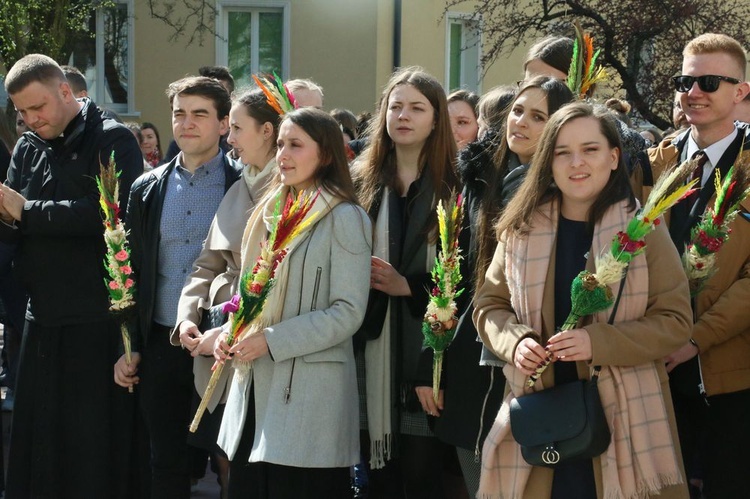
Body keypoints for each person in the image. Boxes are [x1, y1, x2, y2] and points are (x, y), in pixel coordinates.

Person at [474, 102, 691, 498]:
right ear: (548, 162)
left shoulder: (644, 229)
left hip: (625, 419)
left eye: (590, 150)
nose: (577, 162)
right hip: (540, 416)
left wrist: (598, 343)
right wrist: (516, 341)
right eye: (562, 152)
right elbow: (489, 307)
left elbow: (675, 321)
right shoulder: (520, 229)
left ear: (613, 158)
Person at [0, 53, 143, 498]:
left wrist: (27, 213)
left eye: (37, 108)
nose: (29, 120)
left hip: (94, 319)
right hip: (38, 315)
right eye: (21, 112)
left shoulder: (115, 139)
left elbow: (110, 217)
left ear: (66, 92)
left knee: (89, 449)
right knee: (38, 442)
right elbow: (14, 219)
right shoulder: (26, 146)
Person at [215, 107, 372, 498]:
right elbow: (250, 293)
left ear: (327, 154)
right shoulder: (268, 210)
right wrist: (228, 330)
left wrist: (271, 340)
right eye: (281, 143)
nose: (282, 153)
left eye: (296, 145)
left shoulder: (346, 217)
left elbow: (348, 311)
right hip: (254, 386)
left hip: (307, 397)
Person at [114, 75, 242, 499]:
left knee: (230, 457)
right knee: (165, 461)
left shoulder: (245, 185)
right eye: (179, 114)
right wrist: (128, 344)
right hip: (162, 339)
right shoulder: (146, 188)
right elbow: (129, 273)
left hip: (224, 344)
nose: (187, 123)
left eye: (200, 114)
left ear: (224, 124)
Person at [448, 77, 574, 497]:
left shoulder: (555, 189)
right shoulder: (489, 173)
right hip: (482, 334)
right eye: (518, 110)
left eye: (538, 116)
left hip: (528, 349)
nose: (520, 121)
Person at [648, 33, 750, 499]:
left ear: (741, 92)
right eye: (684, 80)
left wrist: (694, 339)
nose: (693, 92)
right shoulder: (654, 163)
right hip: (651, 366)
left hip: (727, 373)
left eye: (709, 81)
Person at [353, 66, 462, 499]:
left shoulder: (456, 186)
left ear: (437, 119)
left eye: (417, 107)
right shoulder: (360, 182)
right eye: (395, 106)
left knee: (421, 479)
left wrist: (408, 286)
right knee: (376, 479)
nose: (403, 115)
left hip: (426, 356)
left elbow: (464, 274)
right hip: (368, 352)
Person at [173, 87, 282, 497]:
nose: (229, 138)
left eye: (236, 128)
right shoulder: (239, 187)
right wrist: (187, 317)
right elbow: (207, 263)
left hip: (256, 340)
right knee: (225, 453)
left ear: (267, 131)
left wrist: (234, 329)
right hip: (218, 329)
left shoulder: (292, 189)